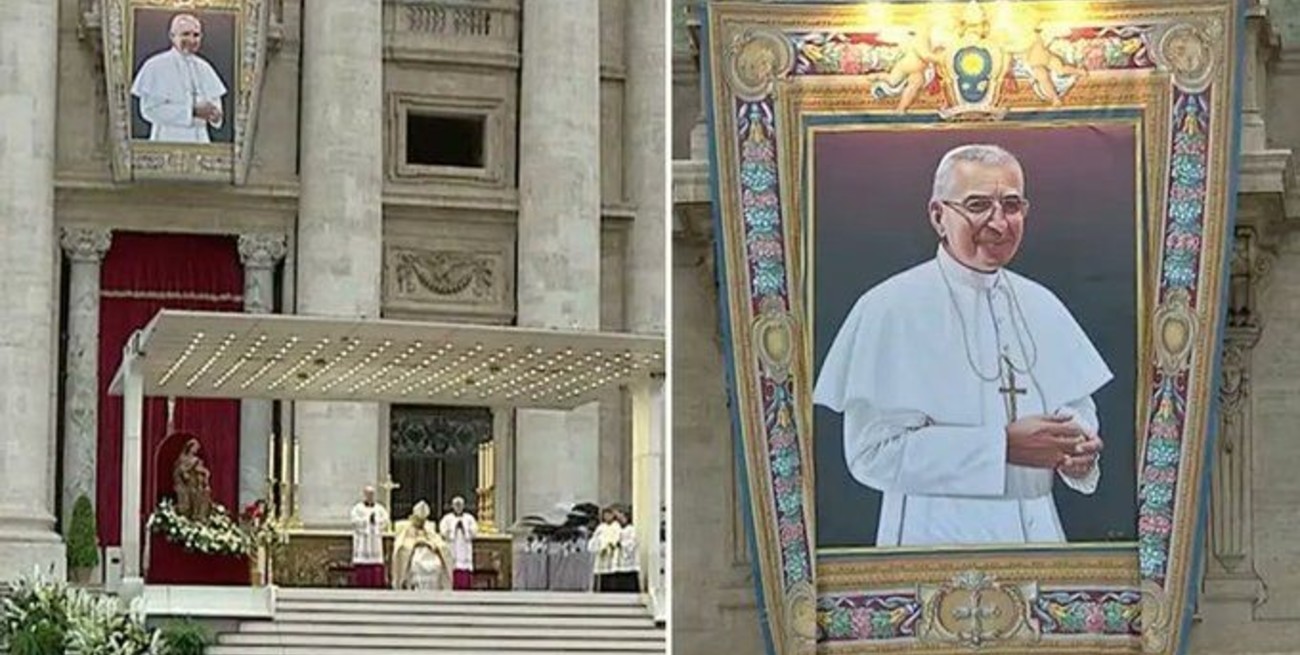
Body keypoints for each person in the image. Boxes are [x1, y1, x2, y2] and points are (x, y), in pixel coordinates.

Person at [813, 143, 1112, 547]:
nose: (999, 222)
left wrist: (1077, 451)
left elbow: (1079, 410)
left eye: (1011, 205)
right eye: (977, 205)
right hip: (930, 540)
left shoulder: (1041, 303)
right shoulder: (889, 307)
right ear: (939, 215)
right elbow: (871, 455)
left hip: (1040, 543)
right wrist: (1001, 446)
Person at [130, 13, 227, 143]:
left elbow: (216, 110)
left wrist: (215, 115)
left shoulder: (205, 67)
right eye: (185, 34)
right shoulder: (155, 65)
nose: (192, 40)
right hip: (166, 139)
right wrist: (192, 111)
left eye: (196, 35)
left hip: (200, 141)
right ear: (172, 36)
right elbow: (149, 110)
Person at [391, 501, 452, 590]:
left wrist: (432, 545)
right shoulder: (407, 528)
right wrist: (415, 543)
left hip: (429, 553)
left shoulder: (428, 528)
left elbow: (438, 541)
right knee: (416, 564)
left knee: (437, 565)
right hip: (415, 553)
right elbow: (401, 544)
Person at [349, 486, 389, 588]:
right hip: (363, 541)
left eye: (372, 494)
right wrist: (367, 520)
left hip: (375, 540)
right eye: (368, 494)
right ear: (364, 495)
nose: (370, 496)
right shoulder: (357, 508)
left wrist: (375, 522)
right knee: (363, 563)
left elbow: (385, 521)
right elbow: (354, 521)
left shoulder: (380, 509)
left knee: (375, 562)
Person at [438, 496, 478, 590]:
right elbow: (443, 532)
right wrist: (454, 529)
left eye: (460, 505)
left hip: (464, 548)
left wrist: (464, 530)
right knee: (453, 566)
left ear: (463, 506)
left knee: (464, 568)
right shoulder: (447, 519)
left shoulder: (469, 518)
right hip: (452, 546)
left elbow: (474, 532)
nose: (458, 507)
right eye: (456, 505)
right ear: (452, 506)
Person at [172, 437, 213, 521]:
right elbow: (180, 470)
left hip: (196, 485)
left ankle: (198, 515)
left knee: (200, 498)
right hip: (185, 485)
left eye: (197, 448)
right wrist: (185, 473)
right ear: (190, 447)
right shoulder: (183, 459)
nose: (196, 450)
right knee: (186, 503)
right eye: (195, 448)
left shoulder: (197, 460)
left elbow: (201, 470)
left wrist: (205, 473)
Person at [587, 507, 620, 592]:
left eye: (609, 515)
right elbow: (595, 538)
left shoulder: (616, 526)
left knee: (610, 572)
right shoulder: (601, 527)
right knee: (600, 571)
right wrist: (599, 545)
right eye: (605, 515)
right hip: (601, 553)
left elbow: (617, 537)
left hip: (611, 552)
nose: (607, 517)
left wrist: (611, 544)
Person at [612, 507, 641, 593]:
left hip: (629, 561)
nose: (620, 520)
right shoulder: (617, 529)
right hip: (619, 559)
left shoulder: (631, 530)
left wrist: (622, 544)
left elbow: (632, 543)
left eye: (622, 517)